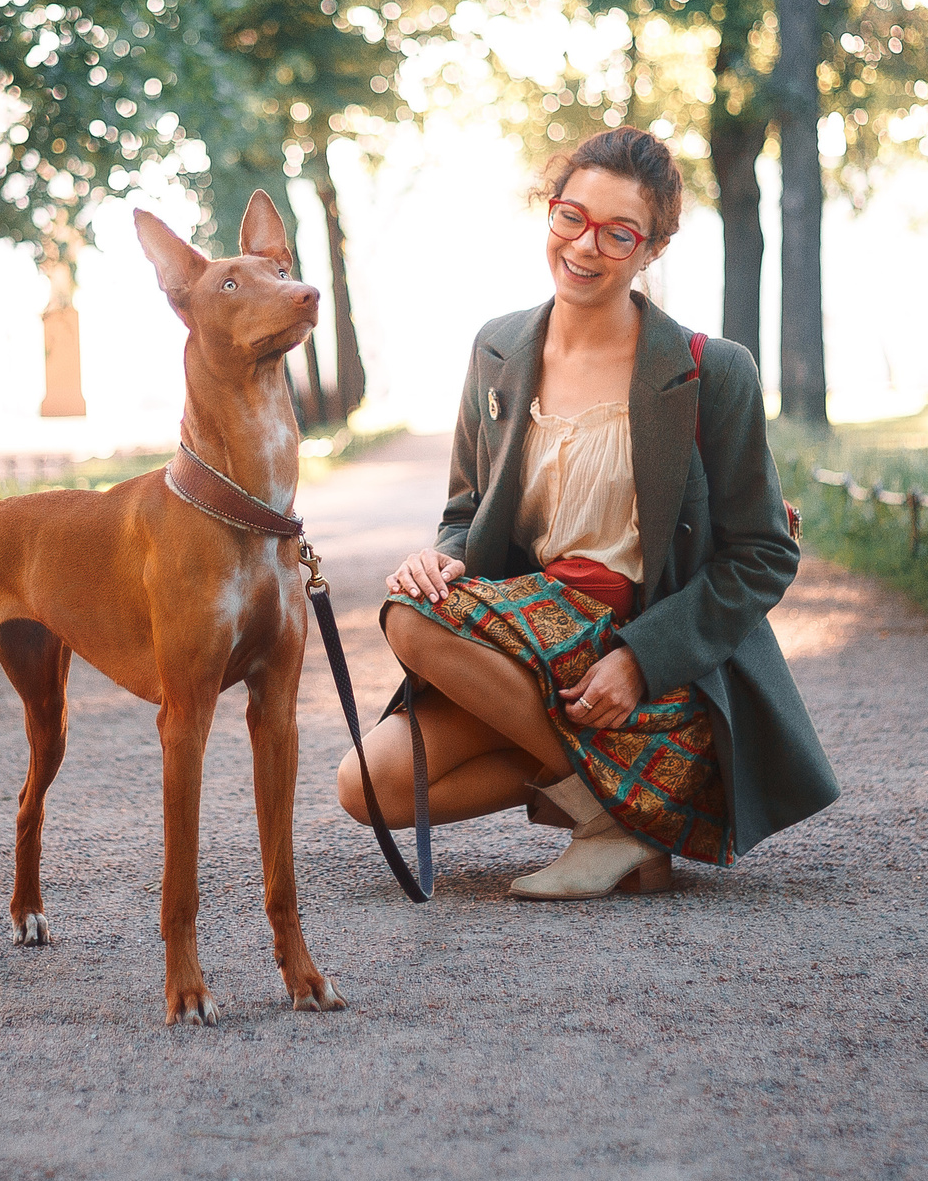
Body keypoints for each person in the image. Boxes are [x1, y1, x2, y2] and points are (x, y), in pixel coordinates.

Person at [335, 126, 837, 899]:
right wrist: (445, 557)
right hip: (531, 640)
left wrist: (642, 658)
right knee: (369, 786)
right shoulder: (498, 348)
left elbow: (764, 552)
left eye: (618, 231)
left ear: (652, 248)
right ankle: (621, 818)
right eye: (570, 216)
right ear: (551, 208)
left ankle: (622, 807)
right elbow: (469, 510)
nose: (585, 244)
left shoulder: (713, 371)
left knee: (407, 620)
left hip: (638, 659)